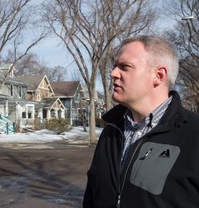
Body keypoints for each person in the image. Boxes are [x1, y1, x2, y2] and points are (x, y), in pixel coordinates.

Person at [83, 35, 199, 208]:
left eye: (125, 67)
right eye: (115, 66)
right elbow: (93, 196)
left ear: (158, 75)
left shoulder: (194, 134)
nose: (113, 73)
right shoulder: (112, 130)